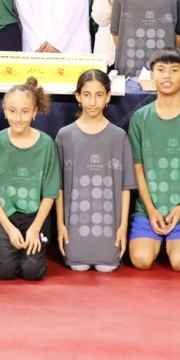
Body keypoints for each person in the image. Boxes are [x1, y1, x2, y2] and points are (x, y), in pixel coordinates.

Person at [127, 49, 180, 272]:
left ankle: (177, 237)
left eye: (174, 71)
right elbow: (138, 167)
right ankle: (153, 234)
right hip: (148, 209)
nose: (167, 76)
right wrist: (151, 209)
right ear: (151, 76)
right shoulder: (139, 118)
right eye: (161, 70)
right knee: (141, 260)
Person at [0, 78, 60, 281]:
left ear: (34, 112)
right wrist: (9, 228)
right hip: (4, 217)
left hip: (35, 217)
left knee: (32, 272)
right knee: (5, 272)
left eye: (25, 111)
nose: (18, 117)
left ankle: (32, 254)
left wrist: (35, 228)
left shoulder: (46, 144)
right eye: (12, 111)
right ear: (5, 110)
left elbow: (50, 193)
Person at [55, 69, 134, 272]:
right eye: (87, 95)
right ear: (77, 96)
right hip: (74, 226)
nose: (92, 102)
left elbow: (126, 187)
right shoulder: (65, 136)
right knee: (78, 266)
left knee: (106, 267)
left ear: (108, 97)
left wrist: (122, 227)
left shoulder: (119, 136)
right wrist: (60, 226)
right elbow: (58, 186)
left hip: (109, 227)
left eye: (99, 95)